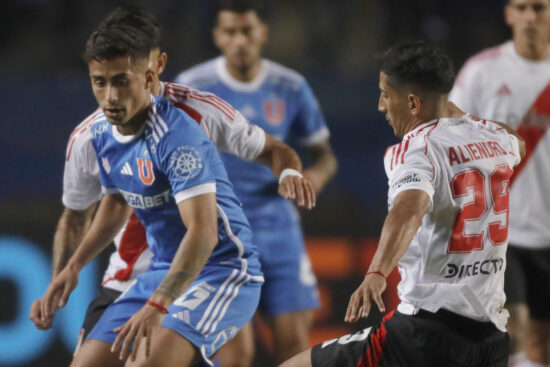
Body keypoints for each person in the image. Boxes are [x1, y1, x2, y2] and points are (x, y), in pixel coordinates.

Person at [29, 7, 316, 356]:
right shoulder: (93, 135)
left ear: (153, 68)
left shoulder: (189, 123)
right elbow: (104, 205)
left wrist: (288, 173)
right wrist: (66, 273)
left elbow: (267, 157)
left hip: (212, 265)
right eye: (100, 81)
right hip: (137, 275)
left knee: (234, 354)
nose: (111, 95)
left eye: (124, 78)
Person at [281, 42, 526, 367]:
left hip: (423, 334)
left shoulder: (417, 150)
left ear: (412, 102)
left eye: (386, 93)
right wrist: (465, 117)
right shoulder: (494, 139)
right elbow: (519, 142)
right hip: (490, 341)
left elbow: (408, 209)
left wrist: (377, 273)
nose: (381, 105)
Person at [175, 0, 338, 363]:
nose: (239, 41)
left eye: (246, 31)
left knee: (294, 349)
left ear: (262, 32)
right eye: (230, 32)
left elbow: (324, 155)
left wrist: (314, 175)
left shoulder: (290, 86)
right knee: (235, 356)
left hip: (279, 228)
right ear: (218, 36)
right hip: (221, 233)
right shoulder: (193, 86)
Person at [449, 1, 550, 365]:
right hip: (502, 232)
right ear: (508, 14)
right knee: (515, 329)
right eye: (521, 8)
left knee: (542, 341)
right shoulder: (481, 71)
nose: (530, 18)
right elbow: (449, 133)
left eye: (539, 8)